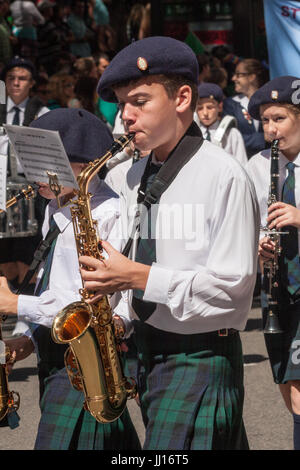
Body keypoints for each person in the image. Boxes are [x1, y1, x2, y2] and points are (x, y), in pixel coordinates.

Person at [79, 36, 260, 450]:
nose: (125, 115)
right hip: (145, 350)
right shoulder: (125, 176)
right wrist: (117, 316)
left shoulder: (223, 174)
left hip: (201, 353)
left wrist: (138, 276)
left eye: (139, 101)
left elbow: (233, 291)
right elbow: (127, 257)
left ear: (182, 98)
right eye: (122, 104)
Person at [0, 107, 141, 450]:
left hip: (86, 357)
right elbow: (50, 283)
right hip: (57, 352)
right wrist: (28, 336)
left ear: (81, 166)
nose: (34, 176)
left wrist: (16, 304)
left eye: (44, 165)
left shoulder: (109, 213)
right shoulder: (54, 206)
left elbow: (90, 304)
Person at [245, 75, 300, 451]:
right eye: (265, 121)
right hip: (277, 285)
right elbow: (244, 222)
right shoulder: (257, 164)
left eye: (278, 118)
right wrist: (257, 245)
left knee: (298, 388)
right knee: (287, 382)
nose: (270, 129)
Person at [0, 56, 49, 293]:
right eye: (11, 78)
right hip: (1, 185)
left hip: (30, 187)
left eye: (22, 79)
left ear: (31, 83)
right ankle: (9, 300)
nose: (16, 83)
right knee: (4, 249)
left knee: (27, 249)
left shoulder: (42, 111)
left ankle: (24, 303)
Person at [223, 58, 269, 159]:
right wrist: (263, 138)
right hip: (242, 162)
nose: (233, 78)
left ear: (252, 77)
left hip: (268, 160)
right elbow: (228, 137)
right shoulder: (231, 104)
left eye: (238, 74)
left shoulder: (268, 101)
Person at [195, 82, 247, 167]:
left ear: (219, 107)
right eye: (200, 108)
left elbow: (242, 165)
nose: (205, 113)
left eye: (210, 107)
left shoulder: (232, 134)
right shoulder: (193, 134)